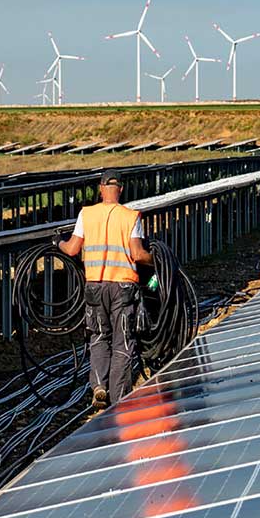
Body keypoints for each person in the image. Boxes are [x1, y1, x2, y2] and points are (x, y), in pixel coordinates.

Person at [58, 170, 152, 408]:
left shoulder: (86, 214)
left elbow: (71, 249)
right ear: (120, 189)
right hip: (122, 287)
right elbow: (138, 254)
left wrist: (57, 242)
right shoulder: (130, 217)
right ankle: (119, 397)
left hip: (94, 287)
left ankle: (99, 386)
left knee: (99, 337)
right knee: (123, 340)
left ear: (100, 189)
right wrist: (158, 260)